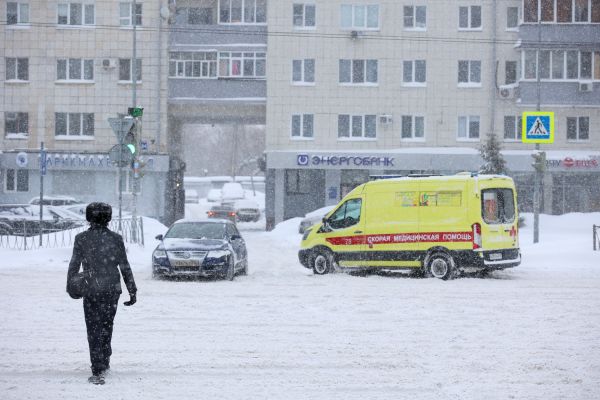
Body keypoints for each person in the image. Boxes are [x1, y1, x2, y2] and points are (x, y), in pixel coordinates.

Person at [66, 202, 137, 385]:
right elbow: (124, 266)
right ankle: (104, 361)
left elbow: (74, 265)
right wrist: (132, 289)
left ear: (89, 217)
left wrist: (71, 286)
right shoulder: (115, 238)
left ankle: (97, 365)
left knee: (93, 328)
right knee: (107, 326)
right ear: (109, 218)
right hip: (112, 290)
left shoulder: (81, 238)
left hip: (91, 289)